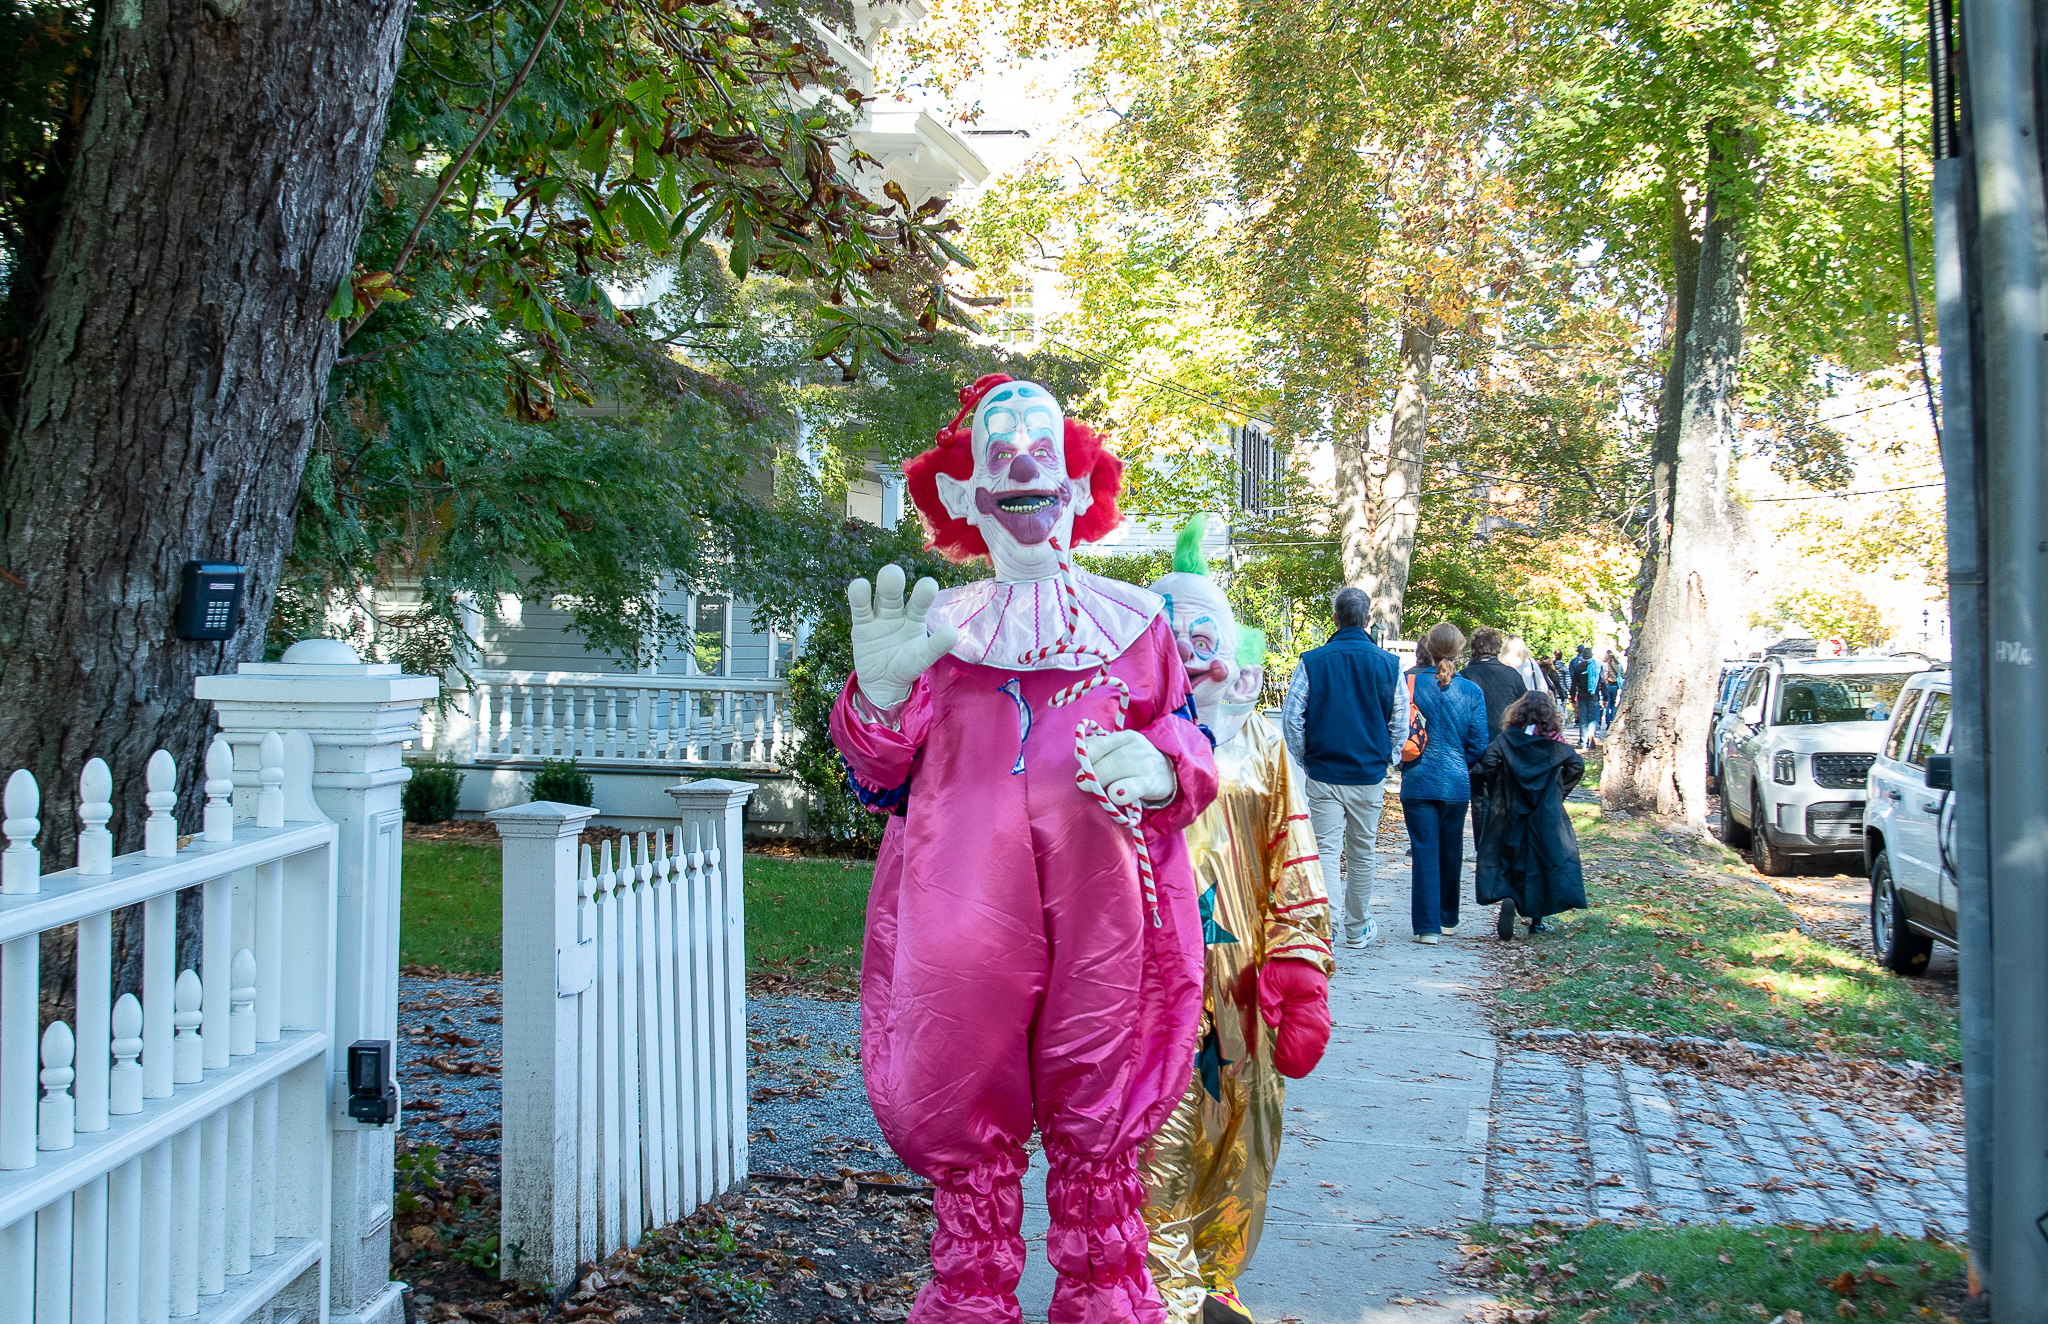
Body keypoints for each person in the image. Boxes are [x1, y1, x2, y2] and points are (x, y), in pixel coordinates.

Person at [831, 375, 1219, 1322]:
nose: (1020, 462)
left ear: (1082, 491)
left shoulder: (1139, 625)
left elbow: (1190, 739)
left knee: (1104, 1115)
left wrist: (1168, 766)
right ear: (964, 497)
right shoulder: (937, 633)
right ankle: (969, 1300)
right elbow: (880, 775)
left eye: (1041, 446)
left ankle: (1105, 1300)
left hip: (1111, 915)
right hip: (964, 910)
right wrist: (876, 699)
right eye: (995, 451)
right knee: (965, 1111)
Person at [1143, 525, 1332, 1324]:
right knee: (1149, 1143)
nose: (1191, 653)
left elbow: (1296, 850)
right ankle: (1164, 1296)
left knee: (1241, 1132)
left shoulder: (1262, 745)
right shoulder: (1118, 742)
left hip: (1242, 995)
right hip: (1143, 992)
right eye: (1171, 635)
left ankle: (1216, 1283)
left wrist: (1302, 963)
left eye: (1205, 635)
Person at [1282, 586, 1407, 950]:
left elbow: (1293, 718)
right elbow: (1400, 717)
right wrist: (1390, 757)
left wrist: (1306, 757)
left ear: (1335, 618)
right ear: (1368, 619)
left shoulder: (1313, 661)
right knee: (1363, 849)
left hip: (1324, 770)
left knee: (1325, 848)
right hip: (1368, 772)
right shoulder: (1389, 664)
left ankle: (1328, 927)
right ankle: (1357, 926)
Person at [1398, 623, 1489, 944]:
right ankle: (1448, 918)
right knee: (1452, 851)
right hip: (1455, 783)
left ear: (1429, 648)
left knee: (1424, 851)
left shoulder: (1409, 685)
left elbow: (1396, 729)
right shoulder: (1472, 691)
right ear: (1459, 650)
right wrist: (1458, 766)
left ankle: (1426, 927)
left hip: (1418, 779)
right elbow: (1479, 743)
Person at [1473, 690, 1588, 940]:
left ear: (1518, 711)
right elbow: (1577, 765)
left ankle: (1511, 896)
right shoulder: (1556, 742)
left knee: (1511, 854)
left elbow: (1489, 761)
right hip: (1545, 811)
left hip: (1510, 808)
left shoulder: (1508, 738)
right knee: (1542, 861)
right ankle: (1537, 921)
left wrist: (1498, 785)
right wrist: (1558, 790)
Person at [1460, 627, 1528, 740]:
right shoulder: (1513, 675)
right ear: (1498, 647)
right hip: (1505, 743)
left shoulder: (1463, 676)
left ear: (1473, 648)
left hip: (1473, 743)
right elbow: (1525, 710)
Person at [1566, 645, 1598, 748]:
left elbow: (1574, 683)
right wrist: (1605, 697)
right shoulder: (1596, 667)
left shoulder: (1578, 667)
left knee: (1583, 720)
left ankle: (1584, 742)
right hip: (1593, 696)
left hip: (1582, 696)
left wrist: (1572, 696)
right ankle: (1592, 733)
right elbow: (1601, 681)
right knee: (1593, 718)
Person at [1503, 635, 1547, 699]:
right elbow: (1543, 687)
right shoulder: (1531, 662)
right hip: (1529, 703)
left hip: (1510, 704)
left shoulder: (1503, 664)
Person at [1598, 649, 1622, 731]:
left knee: (1607, 704)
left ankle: (1607, 722)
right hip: (1615, 686)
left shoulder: (1604, 664)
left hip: (1607, 685)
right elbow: (1622, 674)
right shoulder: (1618, 664)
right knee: (1613, 704)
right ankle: (1612, 720)